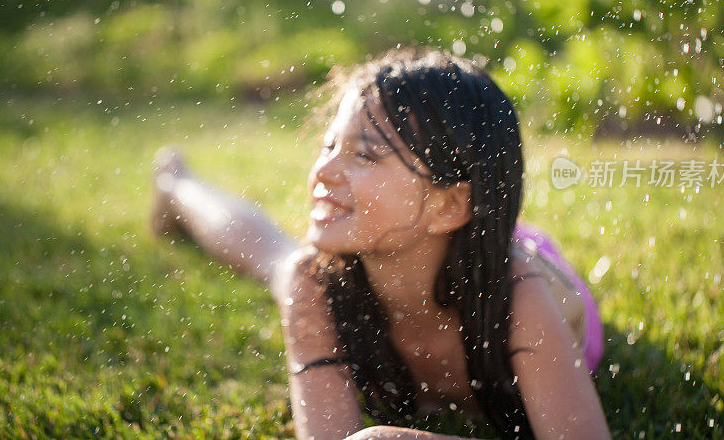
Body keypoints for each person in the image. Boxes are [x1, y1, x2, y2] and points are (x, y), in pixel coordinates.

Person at [151, 48, 610, 439]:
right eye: (329, 146)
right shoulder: (312, 285)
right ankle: (177, 185)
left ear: (449, 205)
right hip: (454, 233)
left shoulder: (518, 295)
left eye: (365, 155)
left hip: (499, 259)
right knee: (277, 258)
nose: (323, 173)